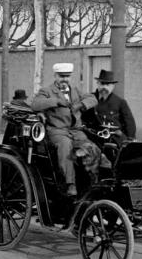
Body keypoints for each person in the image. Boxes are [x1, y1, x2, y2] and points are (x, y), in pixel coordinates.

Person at [30, 63, 99, 196]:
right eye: (61, 76)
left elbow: (93, 99)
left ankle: (92, 181)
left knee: (91, 147)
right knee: (65, 147)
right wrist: (55, 101)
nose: (64, 79)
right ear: (55, 76)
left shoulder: (76, 90)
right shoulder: (47, 91)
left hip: (76, 131)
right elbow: (35, 104)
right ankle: (70, 184)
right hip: (57, 131)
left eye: (67, 77)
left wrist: (81, 104)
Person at [83, 69, 136, 146]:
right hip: (94, 137)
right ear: (97, 84)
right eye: (102, 84)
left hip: (115, 137)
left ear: (113, 86)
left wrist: (130, 139)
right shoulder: (89, 98)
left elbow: (129, 123)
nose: (104, 87)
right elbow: (82, 118)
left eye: (107, 85)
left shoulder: (120, 102)